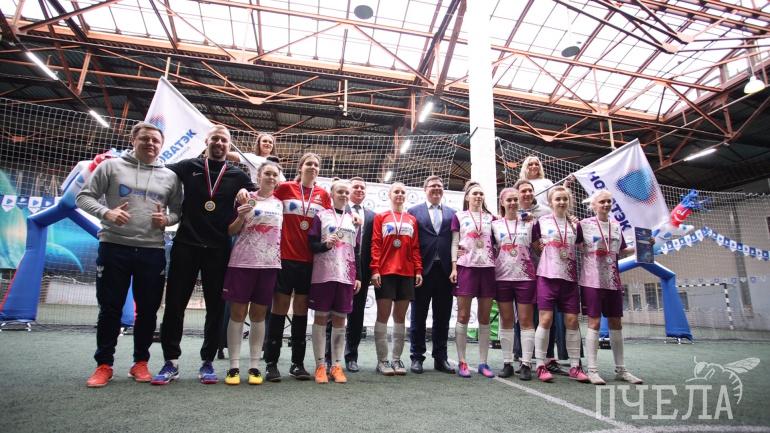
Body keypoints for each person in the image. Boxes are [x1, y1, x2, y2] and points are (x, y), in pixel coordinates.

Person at [78, 122, 182, 388]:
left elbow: (177, 212)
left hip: (152, 250)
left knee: (147, 311)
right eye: (145, 139)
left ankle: (140, 362)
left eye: (156, 140)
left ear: (161, 145)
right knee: (110, 308)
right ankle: (104, 365)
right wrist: (107, 213)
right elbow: (84, 197)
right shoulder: (111, 167)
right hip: (114, 247)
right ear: (133, 140)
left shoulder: (170, 177)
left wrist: (166, 220)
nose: (150, 144)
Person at [152, 125, 256, 385]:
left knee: (216, 307)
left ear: (229, 146)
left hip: (219, 248)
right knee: (175, 304)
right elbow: (159, 169)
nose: (219, 143)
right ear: (207, 141)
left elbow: (260, 194)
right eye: (215, 139)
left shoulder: (237, 175)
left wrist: (247, 194)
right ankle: (171, 361)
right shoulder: (189, 166)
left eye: (224, 140)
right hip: (186, 244)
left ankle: (207, 361)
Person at [262, 152, 331, 382]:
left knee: (301, 310)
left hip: (310, 260)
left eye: (316, 164)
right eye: (308, 163)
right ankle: (271, 363)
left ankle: (297, 364)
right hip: (284, 257)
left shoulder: (323, 195)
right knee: (279, 308)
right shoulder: (285, 188)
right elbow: (265, 200)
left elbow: (332, 221)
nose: (312, 167)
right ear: (300, 167)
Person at [222, 161, 283, 386]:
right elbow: (230, 231)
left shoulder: (280, 204)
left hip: (268, 266)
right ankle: (233, 367)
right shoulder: (245, 198)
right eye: (267, 173)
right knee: (237, 313)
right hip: (242, 263)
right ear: (259, 176)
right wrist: (240, 217)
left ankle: (255, 366)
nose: (271, 177)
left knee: (258, 315)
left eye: (275, 175)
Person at [576, 190, 643, 385]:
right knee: (594, 322)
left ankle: (621, 369)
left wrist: (642, 245)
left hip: (613, 280)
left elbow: (622, 250)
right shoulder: (584, 224)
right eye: (602, 202)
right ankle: (592, 370)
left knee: (616, 323)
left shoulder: (615, 226)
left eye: (608, 202)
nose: (606, 205)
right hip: (592, 280)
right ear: (594, 205)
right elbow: (573, 244)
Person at [531, 185, 588, 383]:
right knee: (545, 319)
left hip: (569, 278)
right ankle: (540, 364)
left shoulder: (575, 225)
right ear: (551, 202)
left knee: (572, 321)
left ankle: (575, 366)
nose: (561, 202)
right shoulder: (541, 222)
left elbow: (582, 246)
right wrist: (543, 251)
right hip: (547, 276)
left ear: (569, 201)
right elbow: (535, 246)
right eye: (557, 199)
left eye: (565, 199)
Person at [308, 179, 361, 384]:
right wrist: (324, 245)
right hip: (323, 274)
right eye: (340, 192)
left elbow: (356, 250)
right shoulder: (321, 216)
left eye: (347, 192)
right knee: (321, 318)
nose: (344, 195)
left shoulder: (353, 220)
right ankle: (320, 365)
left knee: (340, 320)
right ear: (331, 194)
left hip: (346, 275)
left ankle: (336, 366)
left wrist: (358, 276)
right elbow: (311, 245)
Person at [371, 182, 423, 376]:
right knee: (383, 316)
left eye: (402, 192)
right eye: (396, 191)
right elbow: (376, 244)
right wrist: (375, 269)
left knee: (400, 318)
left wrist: (418, 270)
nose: (400, 194)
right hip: (385, 272)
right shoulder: (381, 217)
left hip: (407, 273)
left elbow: (415, 247)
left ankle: (396, 359)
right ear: (389, 195)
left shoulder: (412, 220)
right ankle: (382, 360)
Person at [408, 175, 456, 374]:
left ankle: (440, 358)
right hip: (422, 271)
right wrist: (414, 269)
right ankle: (417, 357)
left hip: (445, 272)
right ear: (425, 189)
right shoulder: (413, 212)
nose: (437, 189)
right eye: (433, 186)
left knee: (442, 317)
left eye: (440, 186)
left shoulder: (453, 213)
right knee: (418, 316)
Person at [450, 181, 496, 379]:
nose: (478, 196)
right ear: (467, 197)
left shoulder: (492, 218)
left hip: (487, 269)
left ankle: (483, 362)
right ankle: (462, 361)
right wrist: (454, 267)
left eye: (481, 194)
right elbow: (454, 243)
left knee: (484, 318)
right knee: (463, 316)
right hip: (466, 268)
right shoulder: (459, 216)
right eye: (475, 193)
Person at [491, 187, 536, 380]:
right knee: (506, 320)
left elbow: (538, 247)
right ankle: (507, 362)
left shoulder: (530, 223)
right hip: (502, 276)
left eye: (515, 200)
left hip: (525, 277)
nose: (512, 203)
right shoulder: (494, 225)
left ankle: (526, 364)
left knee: (526, 321)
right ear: (502, 203)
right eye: (509, 200)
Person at [342, 177, 375, 373]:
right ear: (348, 190)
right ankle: (329, 357)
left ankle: (351, 356)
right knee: (334, 313)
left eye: (363, 187)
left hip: (362, 269)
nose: (359, 190)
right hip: (339, 265)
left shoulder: (372, 216)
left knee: (357, 314)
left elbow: (373, 245)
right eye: (356, 187)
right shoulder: (339, 210)